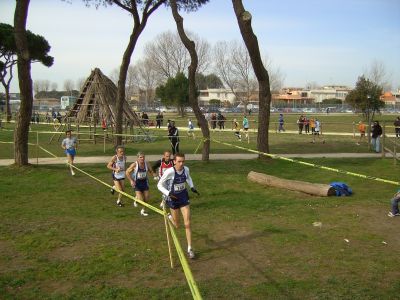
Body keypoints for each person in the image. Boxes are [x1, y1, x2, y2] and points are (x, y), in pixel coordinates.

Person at [157, 153, 200, 259]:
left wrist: (192, 187)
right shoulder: (169, 171)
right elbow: (159, 184)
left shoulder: (186, 169)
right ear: (174, 161)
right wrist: (168, 193)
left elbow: (188, 178)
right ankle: (169, 216)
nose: (181, 163)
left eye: (183, 161)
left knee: (188, 223)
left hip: (183, 197)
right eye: (179, 161)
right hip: (173, 199)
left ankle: (190, 248)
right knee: (177, 225)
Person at [126, 152, 157, 216]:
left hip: (144, 182)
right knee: (141, 200)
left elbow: (151, 171)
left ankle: (143, 210)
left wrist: (154, 175)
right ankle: (137, 199)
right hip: (137, 183)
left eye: (143, 157)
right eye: (140, 157)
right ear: (137, 158)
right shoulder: (134, 165)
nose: (142, 158)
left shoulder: (147, 164)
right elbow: (127, 172)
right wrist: (131, 181)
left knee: (146, 198)